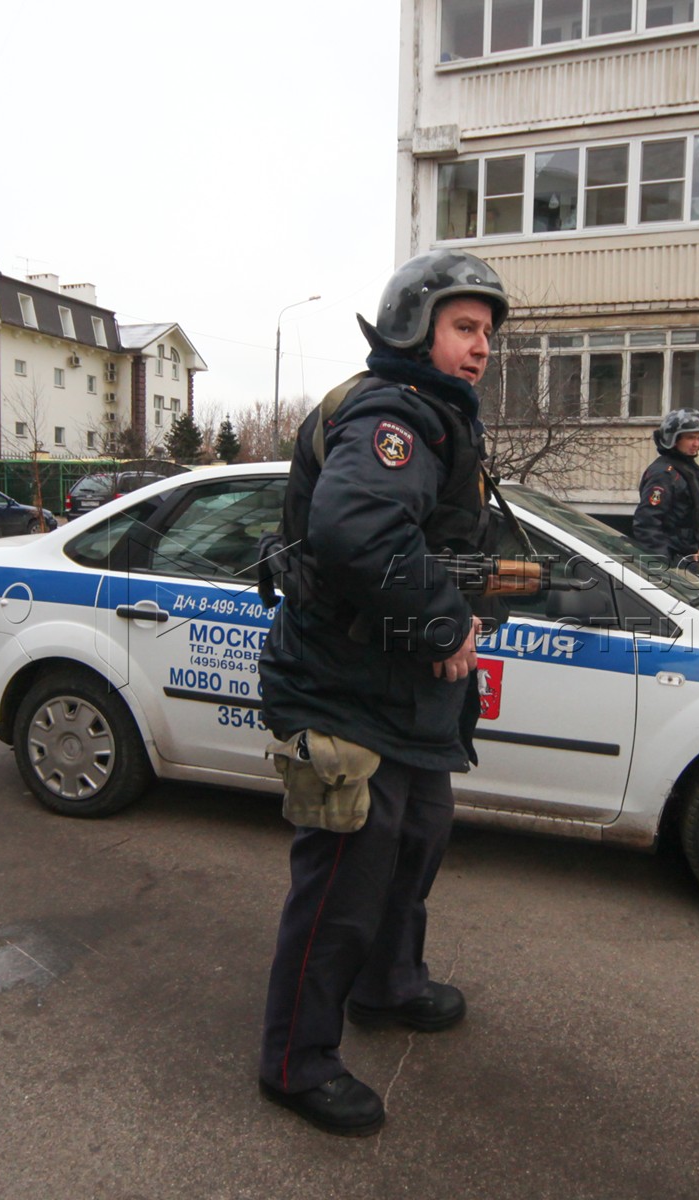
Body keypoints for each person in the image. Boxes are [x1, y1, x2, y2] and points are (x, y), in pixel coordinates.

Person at [255, 249, 509, 1138]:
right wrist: (446, 622)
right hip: (343, 691)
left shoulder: (439, 414)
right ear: (415, 327)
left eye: (486, 333)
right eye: (463, 328)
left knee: (414, 847)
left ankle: (387, 984)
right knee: (343, 886)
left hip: (403, 696)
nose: (480, 348)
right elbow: (356, 528)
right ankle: (295, 1061)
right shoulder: (392, 414)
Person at [632, 408, 699, 566]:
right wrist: (664, 564)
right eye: (690, 438)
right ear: (673, 439)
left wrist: (693, 549)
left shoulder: (686, 469)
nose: (696, 443)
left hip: (686, 556)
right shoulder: (663, 474)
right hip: (671, 560)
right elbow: (647, 525)